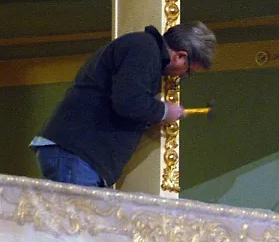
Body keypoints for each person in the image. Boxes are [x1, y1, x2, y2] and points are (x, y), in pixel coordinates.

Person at [29, 22, 217, 188]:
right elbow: (129, 102)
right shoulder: (143, 48)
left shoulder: (143, 49)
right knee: (78, 226)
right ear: (180, 57)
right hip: (77, 155)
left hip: (79, 158)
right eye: (188, 71)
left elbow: (126, 101)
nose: (181, 77)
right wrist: (164, 110)